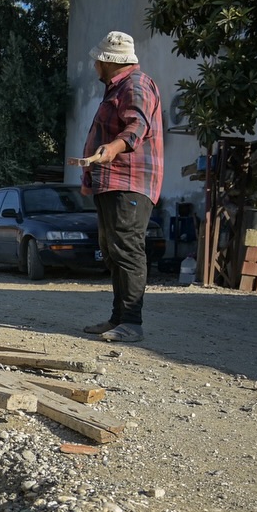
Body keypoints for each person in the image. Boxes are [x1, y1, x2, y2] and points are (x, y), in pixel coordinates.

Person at [67, 30, 164, 344]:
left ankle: (132, 323)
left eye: (98, 59)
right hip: (111, 182)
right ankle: (118, 319)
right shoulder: (115, 90)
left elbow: (137, 124)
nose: (95, 64)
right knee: (112, 251)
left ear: (109, 61)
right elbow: (99, 142)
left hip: (130, 181)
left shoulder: (137, 85)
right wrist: (87, 177)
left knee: (127, 249)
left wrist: (114, 147)